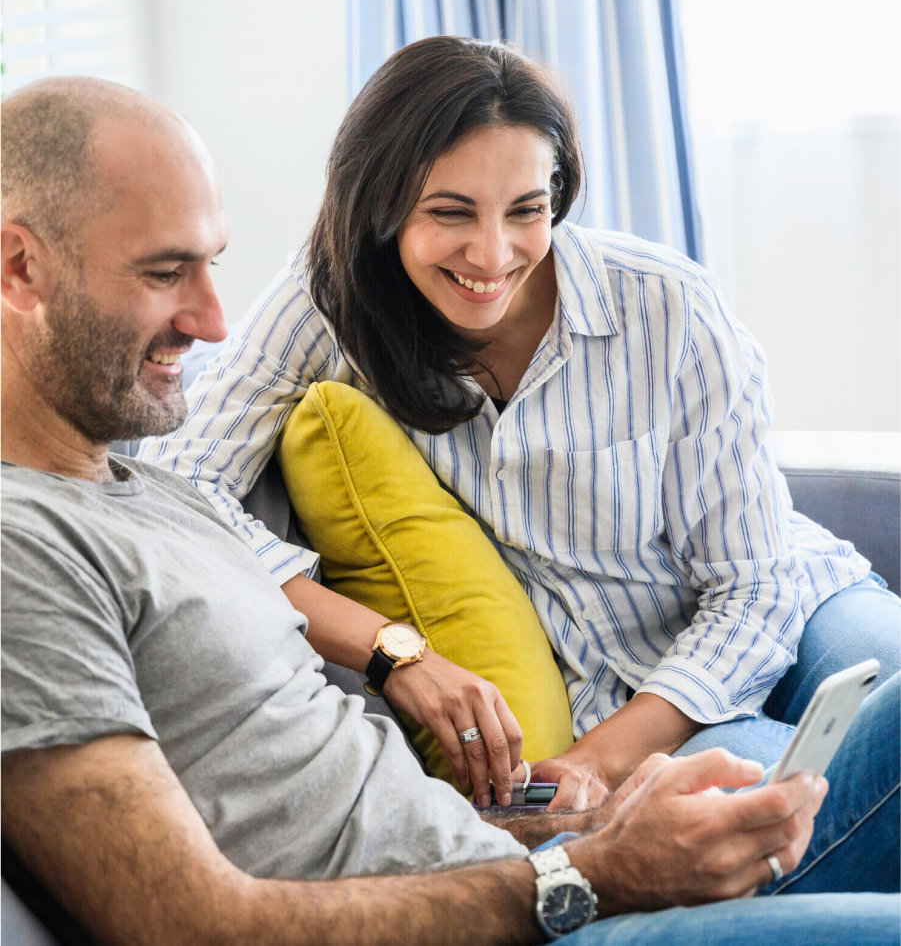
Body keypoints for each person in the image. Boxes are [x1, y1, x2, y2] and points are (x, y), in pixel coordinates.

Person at [0, 76, 900, 946]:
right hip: (543, 891)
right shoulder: (34, 548)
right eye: (165, 271)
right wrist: (593, 867)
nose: (213, 321)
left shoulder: (140, 495)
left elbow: (750, 587)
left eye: (526, 208)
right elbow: (184, 917)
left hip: (731, 633)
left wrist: (573, 831)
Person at [143, 36, 901, 809]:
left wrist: (594, 762)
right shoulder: (329, 298)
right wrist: (389, 651)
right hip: (632, 692)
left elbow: (755, 587)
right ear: (380, 203)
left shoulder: (665, 304)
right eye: (450, 212)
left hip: (797, 611)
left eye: (526, 210)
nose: (494, 252)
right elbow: (175, 489)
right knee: (757, 815)